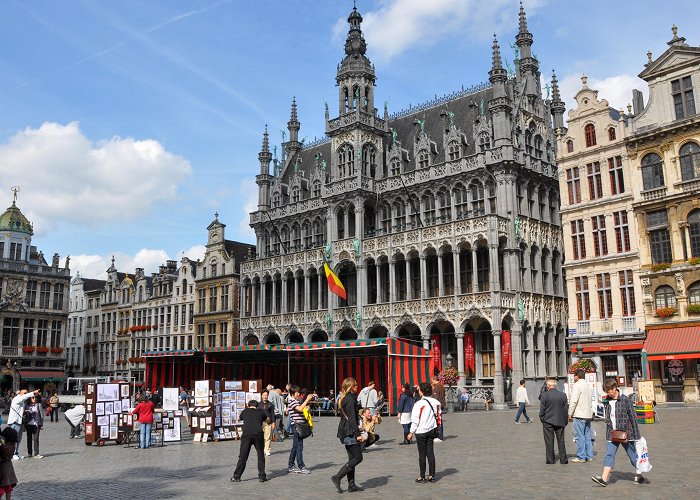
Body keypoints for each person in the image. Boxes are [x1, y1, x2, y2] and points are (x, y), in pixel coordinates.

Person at [591, 379, 647, 487]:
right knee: (609, 454)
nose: (608, 394)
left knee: (633, 457)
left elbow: (633, 418)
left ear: (614, 388)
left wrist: (636, 436)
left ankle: (639, 474)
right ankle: (604, 479)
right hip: (612, 434)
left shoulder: (625, 400)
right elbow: (607, 416)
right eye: (606, 392)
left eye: (609, 391)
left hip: (627, 434)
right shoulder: (607, 400)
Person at [332, 377, 365, 494]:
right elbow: (352, 418)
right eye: (355, 385)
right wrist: (357, 434)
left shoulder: (346, 398)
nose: (357, 387)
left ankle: (351, 485)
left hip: (345, 431)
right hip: (350, 432)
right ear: (351, 387)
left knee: (352, 459)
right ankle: (337, 476)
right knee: (358, 458)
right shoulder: (350, 399)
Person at [406, 382, 441, 483]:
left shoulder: (418, 404)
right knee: (430, 452)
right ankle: (432, 476)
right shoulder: (436, 402)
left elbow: (415, 419)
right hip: (431, 430)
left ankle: (422, 476)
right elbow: (438, 417)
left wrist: (411, 432)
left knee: (422, 454)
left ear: (421, 391)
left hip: (421, 431)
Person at [231, 400, 268, 483]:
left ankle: (236, 476)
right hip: (258, 435)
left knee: (243, 456)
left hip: (246, 435)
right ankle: (262, 476)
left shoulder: (245, 411)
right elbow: (267, 419)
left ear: (248, 405)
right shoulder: (260, 412)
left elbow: (239, 419)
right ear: (257, 406)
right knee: (260, 455)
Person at [539, 378, 568, 465]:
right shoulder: (563, 395)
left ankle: (550, 460)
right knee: (561, 440)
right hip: (560, 420)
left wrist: (542, 418)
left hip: (548, 420)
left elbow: (542, 409)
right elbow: (565, 409)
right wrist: (565, 420)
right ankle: (563, 459)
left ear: (548, 386)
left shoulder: (544, 395)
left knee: (549, 441)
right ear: (555, 386)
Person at [286, 385, 314, 474]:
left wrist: (307, 408)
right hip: (297, 427)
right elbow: (299, 408)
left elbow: (301, 410)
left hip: (299, 426)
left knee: (295, 446)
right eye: (297, 392)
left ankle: (291, 465)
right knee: (299, 447)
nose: (299, 394)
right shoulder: (291, 401)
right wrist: (307, 400)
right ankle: (301, 466)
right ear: (293, 393)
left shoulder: (296, 401)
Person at [568, 369, 593, 463]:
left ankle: (581, 456)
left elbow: (573, 401)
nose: (573, 377)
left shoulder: (577, 385)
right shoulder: (587, 385)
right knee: (587, 435)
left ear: (577, 376)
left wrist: (570, 413)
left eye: (574, 375)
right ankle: (589, 456)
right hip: (588, 414)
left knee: (580, 436)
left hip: (580, 414)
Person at [7, 389, 40, 459]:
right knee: (14, 439)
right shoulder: (17, 398)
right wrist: (33, 393)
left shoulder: (22, 401)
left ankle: (16, 452)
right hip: (15, 422)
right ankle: (12, 454)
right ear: (22, 393)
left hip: (20, 422)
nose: (26, 394)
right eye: (25, 393)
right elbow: (24, 397)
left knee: (19, 439)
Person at [0, 427, 19, 499]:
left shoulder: (4, 446)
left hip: (2, 468)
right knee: (8, 488)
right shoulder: (13, 445)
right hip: (9, 468)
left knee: (1, 488)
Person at [260, 390, 276, 457]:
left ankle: (267, 450)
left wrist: (273, 422)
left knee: (268, 437)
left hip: (268, 422)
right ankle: (261, 449)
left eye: (266, 395)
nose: (265, 396)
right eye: (263, 395)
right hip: (260, 422)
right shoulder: (258, 404)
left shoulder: (271, 404)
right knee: (261, 437)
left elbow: (273, 414)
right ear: (261, 396)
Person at [430, 377, 446, 442]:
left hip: (437, 405)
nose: (432, 382)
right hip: (441, 404)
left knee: (438, 420)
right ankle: (439, 436)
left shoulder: (437, 387)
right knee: (439, 420)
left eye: (432, 381)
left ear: (434, 380)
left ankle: (439, 436)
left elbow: (435, 397)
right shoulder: (442, 385)